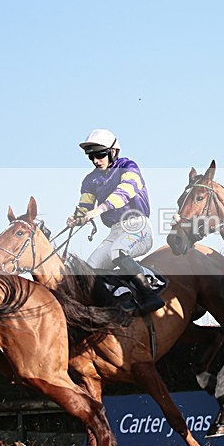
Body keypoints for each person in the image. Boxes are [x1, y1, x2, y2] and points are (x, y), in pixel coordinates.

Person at [66, 129, 163, 313]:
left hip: (138, 226)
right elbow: (84, 206)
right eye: (91, 156)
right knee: (89, 269)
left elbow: (125, 192)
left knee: (118, 251)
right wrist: (77, 218)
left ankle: (149, 295)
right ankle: (118, 300)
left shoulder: (128, 165)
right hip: (115, 231)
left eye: (100, 154)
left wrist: (99, 210)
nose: (95, 160)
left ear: (113, 152)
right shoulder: (90, 180)